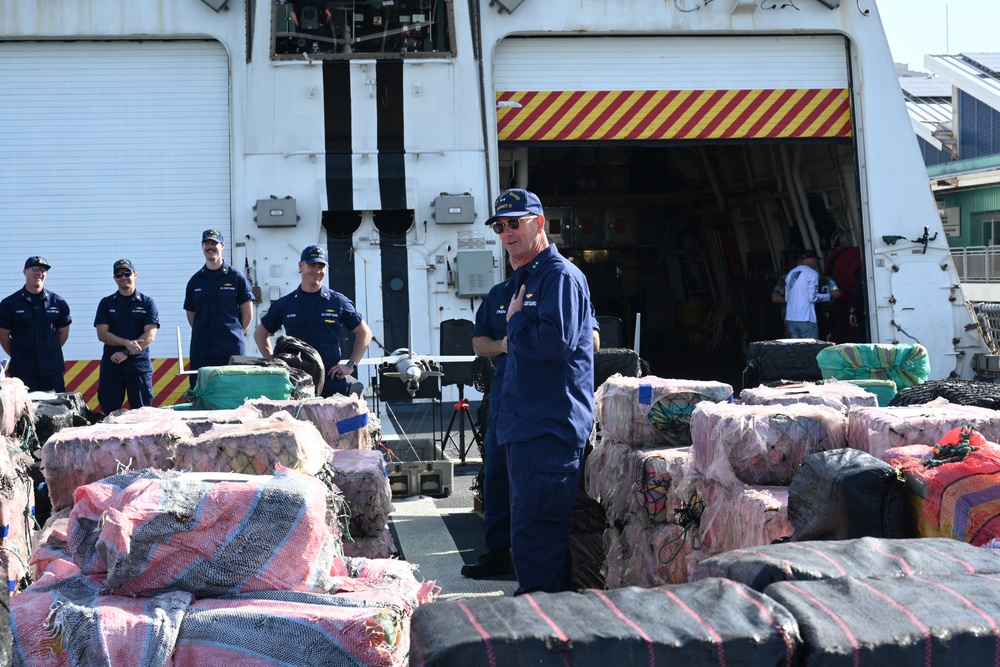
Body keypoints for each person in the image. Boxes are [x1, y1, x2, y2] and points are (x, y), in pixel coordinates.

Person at [488, 188, 595, 595]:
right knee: (535, 541)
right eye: (501, 226)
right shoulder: (528, 278)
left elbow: (555, 344)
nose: (507, 233)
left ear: (540, 223)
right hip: (528, 429)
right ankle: (553, 633)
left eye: (515, 223)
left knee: (536, 545)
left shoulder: (559, 276)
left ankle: (539, 637)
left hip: (546, 431)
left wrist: (515, 323)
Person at [253, 245, 373, 397]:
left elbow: (365, 333)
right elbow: (260, 334)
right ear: (301, 266)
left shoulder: (338, 302)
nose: (317, 271)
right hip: (295, 384)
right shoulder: (285, 304)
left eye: (321, 266)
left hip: (331, 383)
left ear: (326, 268)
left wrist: (350, 365)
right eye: (312, 265)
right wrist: (274, 364)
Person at [184, 229, 255, 383]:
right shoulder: (195, 281)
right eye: (207, 243)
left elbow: (248, 315)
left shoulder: (237, 278)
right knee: (201, 392)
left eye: (214, 243)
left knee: (234, 393)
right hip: (202, 349)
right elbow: (191, 316)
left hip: (231, 350)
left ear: (222, 246)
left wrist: (233, 333)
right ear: (202, 246)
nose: (210, 247)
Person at [94, 259, 160, 414]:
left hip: (138, 367)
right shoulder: (106, 303)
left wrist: (125, 352)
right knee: (109, 414)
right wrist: (126, 343)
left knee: (143, 414)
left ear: (135, 275)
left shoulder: (148, 303)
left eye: (127, 273)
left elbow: (150, 335)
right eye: (118, 274)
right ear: (114, 278)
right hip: (112, 366)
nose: (123, 277)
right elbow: (102, 333)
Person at [0, 256, 72, 392]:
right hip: (23, 371)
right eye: (35, 268)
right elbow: (3, 336)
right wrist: (18, 354)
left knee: (56, 409)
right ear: (25, 272)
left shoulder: (58, 302)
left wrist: (49, 350)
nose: (39, 272)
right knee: (23, 411)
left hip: (51, 369)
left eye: (43, 269)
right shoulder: (9, 304)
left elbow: (63, 333)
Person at [784, 249, 840, 340]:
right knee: (811, 350)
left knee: (797, 350)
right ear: (812, 260)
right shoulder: (812, 273)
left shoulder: (790, 274)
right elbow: (812, 297)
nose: (816, 263)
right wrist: (830, 295)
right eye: (816, 260)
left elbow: (787, 299)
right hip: (805, 318)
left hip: (790, 318)